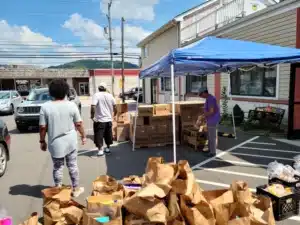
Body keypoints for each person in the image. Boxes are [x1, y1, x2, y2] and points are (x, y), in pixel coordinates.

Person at [39, 79, 86, 197]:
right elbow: (79, 124)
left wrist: (42, 141)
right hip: (70, 142)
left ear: (50, 92)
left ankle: (58, 189)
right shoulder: (71, 105)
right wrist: (83, 136)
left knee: (57, 167)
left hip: (55, 143)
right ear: (66, 91)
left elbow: (42, 127)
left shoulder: (45, 107)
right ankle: (75, 189)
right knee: (73, 165)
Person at [91, 82, 117, 157]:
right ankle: (108, 149)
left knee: (99, 135)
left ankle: (100, 150)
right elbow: (115, 107)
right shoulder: (110, 95)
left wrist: (92, 116)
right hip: (108, 119)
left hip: (99, 120)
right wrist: (114, 115)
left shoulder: (96, 95)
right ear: (105, 88)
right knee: (108, 134)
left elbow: (93, 106)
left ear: (99, 88)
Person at [198, 87, 221, 157]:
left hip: (212, 120)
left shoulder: (211, 99)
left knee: (212, 136)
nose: (201, 96)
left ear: (205, 93)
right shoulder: (208, 98)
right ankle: (210, 149)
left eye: (201, 95)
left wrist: (203, 116)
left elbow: (211, 111)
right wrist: (204, 115)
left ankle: (213, 152)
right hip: (210, 120)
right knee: (209, 136)